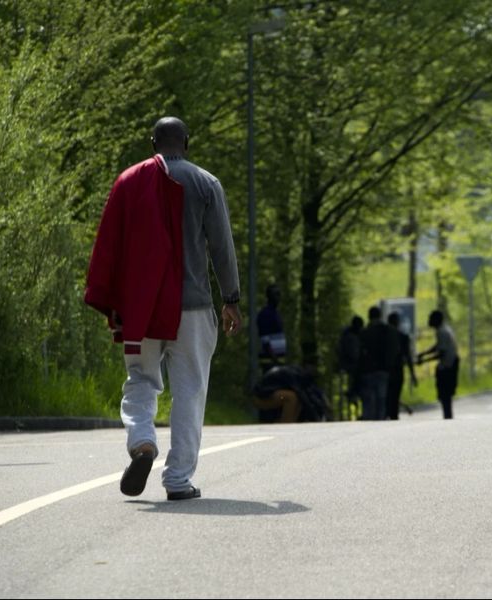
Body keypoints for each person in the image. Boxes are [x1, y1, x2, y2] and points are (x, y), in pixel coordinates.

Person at [85, 117, 242, 501]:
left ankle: (142, 442)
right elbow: (222, 247)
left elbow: (110, 246)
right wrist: (232, 299)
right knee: (190, 392)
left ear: (152, 142)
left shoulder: (129, 181)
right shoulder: (207, 183)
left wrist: (114, 303)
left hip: (143, 310)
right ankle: (177, 480)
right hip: (193, 309)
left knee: (140, 380)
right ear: (186, 143)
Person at [358, 306, 400, 420]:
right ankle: (380, 420)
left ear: (369, 316)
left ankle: (369, 420)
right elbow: (395, 350)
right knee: (382, 398)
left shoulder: (365, 332)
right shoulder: (389, 330)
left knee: (369, 399)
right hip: (384, 369)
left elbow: (359, 353)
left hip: (368, 371)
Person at [417, 310, 460, 420]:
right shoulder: (444, 329)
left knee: (445, 395)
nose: (429, 321)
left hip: (447, 367)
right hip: (451, 364)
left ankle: (447, 417)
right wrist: (424, 353)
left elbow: (441, 353)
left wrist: (425, 360)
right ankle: (448, 416)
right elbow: (438, 346)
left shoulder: (441, 332)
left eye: (431, 318)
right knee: (446, 396)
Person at [252, 365, 328, 423]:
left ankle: (290, 423)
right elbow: (303, 397)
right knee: (292, 397)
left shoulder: (295, 372)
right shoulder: (293, 375)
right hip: (259, 398)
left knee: (297, 400)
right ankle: (285, 426)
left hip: (270, 395)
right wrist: (316, 418)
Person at [386, 312, 418, 420]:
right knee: (395, 396)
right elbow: (408, 357)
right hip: (398, 371)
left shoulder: (385, 337)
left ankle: (389, 415)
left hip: (387, 371)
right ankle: (394, 416)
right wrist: (413, 374)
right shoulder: (403, 337)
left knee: (388, 396)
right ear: (398, 323)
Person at [257, 283, 287, 373]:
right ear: (269, 296)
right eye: (276, 294)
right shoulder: (265, 314)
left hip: (278, 359)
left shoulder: (276, 313)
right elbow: (264, 338)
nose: (279, 297)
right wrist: (274, 357)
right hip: (270, 360)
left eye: (279, 294)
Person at [337, 316, 364, 408]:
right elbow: (354, 354)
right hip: (350, 364)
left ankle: (353, 393)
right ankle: (354, 393)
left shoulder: (346, 334)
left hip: (346, 363)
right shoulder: (351, 337)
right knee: (359, 374)